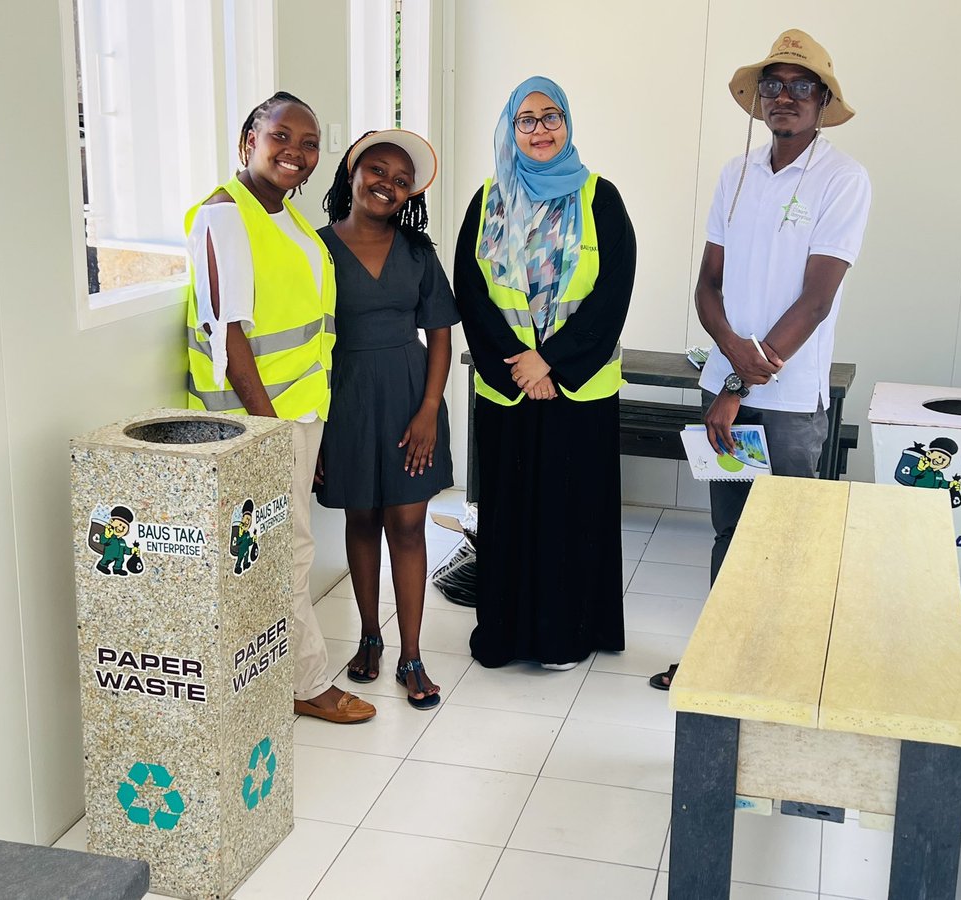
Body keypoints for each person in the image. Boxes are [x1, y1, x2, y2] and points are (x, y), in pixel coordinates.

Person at [650, 29, 872, 690]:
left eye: (800, 85)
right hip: (726, 390)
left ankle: (778, 677)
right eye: (772, 84)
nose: (784, 96)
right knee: (729, 533)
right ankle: (719, 662)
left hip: (787, 403)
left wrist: (738, 384)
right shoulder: (736, 175)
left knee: (783, 546)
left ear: (823, 98)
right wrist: (730, 367)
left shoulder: (843, 180)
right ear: (759, 99)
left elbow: (816, 301)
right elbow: (706, 287)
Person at [185, 91, 376, 723]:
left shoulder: (284, 215)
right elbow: (229, 336)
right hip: (252, 423)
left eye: (309, 143)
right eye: (281, 138)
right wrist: (267, 432)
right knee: (287, 551)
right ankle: (308, 683)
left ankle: (270, 678)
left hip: (296, 416)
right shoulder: (223, 215)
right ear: (248, 142)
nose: (296, 153)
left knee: (276, 551)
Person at [454, 76, 636, 670]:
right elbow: (473, 293)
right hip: (509, 388)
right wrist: (520, 366)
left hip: (577, 390)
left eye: (550, 116)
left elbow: (613, 293)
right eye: (525, 120)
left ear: (568, 123)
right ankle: (505, 635)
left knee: (570, 514)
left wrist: (550, 361)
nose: (539, 130)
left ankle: (567, 636)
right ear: (511, 129)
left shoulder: (599, 197)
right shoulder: (487, 200)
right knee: (508, 516)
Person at [317, 129, 458, 710]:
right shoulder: (316, 249)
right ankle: (370, 636)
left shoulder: (419, 253)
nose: (388, 185)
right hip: (345, 399)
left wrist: (428, 410)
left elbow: (442, 336)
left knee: (406, 522)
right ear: (351, 172)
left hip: (408, 398)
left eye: (402, 182)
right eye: (378, 170)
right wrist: (316, 431)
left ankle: (412, 653)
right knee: (361, 518)